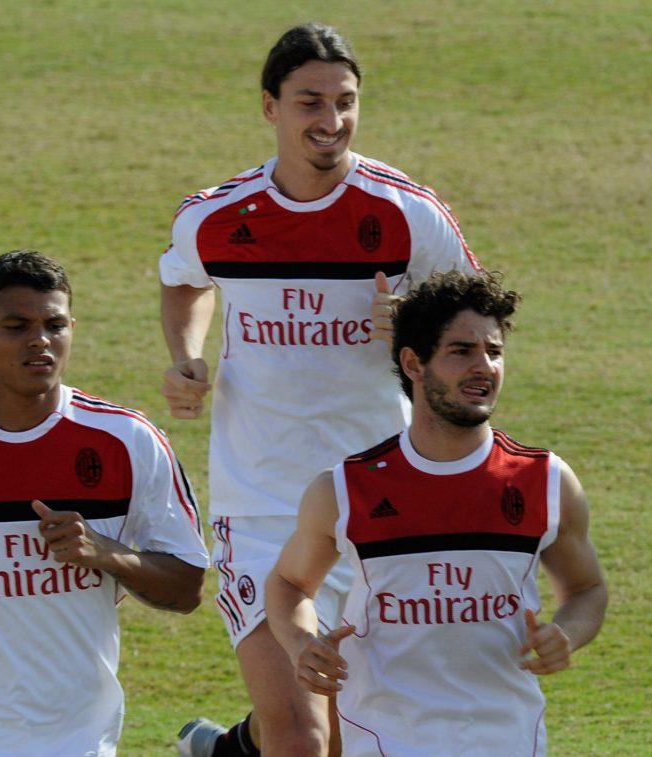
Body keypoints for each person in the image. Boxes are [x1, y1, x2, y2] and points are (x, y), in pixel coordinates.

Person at [161, 22, 481, 756]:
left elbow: (478, 332)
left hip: (381, 505)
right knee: (304, 736)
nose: (330, 121)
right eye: (310, 102)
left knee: (357, 731)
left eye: (345, 102)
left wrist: (413, 323)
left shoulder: (406, 214)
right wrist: (187, 355)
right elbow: (182, 283)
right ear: (270, 107)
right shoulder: (216, 218)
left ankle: (226, 750)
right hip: (261, 505)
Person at [0, 250, 209, 756]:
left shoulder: (128, 442)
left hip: (77, 736)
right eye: (17, 326)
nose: (39, 340)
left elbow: (187, 588)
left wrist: (104, 552)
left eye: (54, 324)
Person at [265, 270, 607, 756]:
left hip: (506, 741)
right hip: (385, 742)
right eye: (461, 351)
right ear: (414, 363)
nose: (484, 367)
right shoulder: (344, 490)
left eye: (494, 352)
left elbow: (587, 589)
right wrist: (302, 643)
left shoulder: (545, 482)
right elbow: (288, 584)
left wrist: (566, 635)